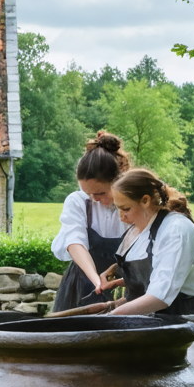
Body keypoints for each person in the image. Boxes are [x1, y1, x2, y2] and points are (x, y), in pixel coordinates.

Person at [98, 168, 194, 316]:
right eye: (118, 209)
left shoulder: (176, 230)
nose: (121, 217)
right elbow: (152, 273)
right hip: (154, 316)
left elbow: (160, 296)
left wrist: (110, 318)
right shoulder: (138, 231)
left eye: (126, 209)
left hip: (187, 317)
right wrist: (119, 276)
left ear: (145, 201)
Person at [49, 132, 131, 312]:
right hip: (82, 285)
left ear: (118, 182)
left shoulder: (134, 206)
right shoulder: (78, 202)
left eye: (100, 193)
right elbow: (75, 242)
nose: (94, 199)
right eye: (89, 193)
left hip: (125, 285)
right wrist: (96, 280)